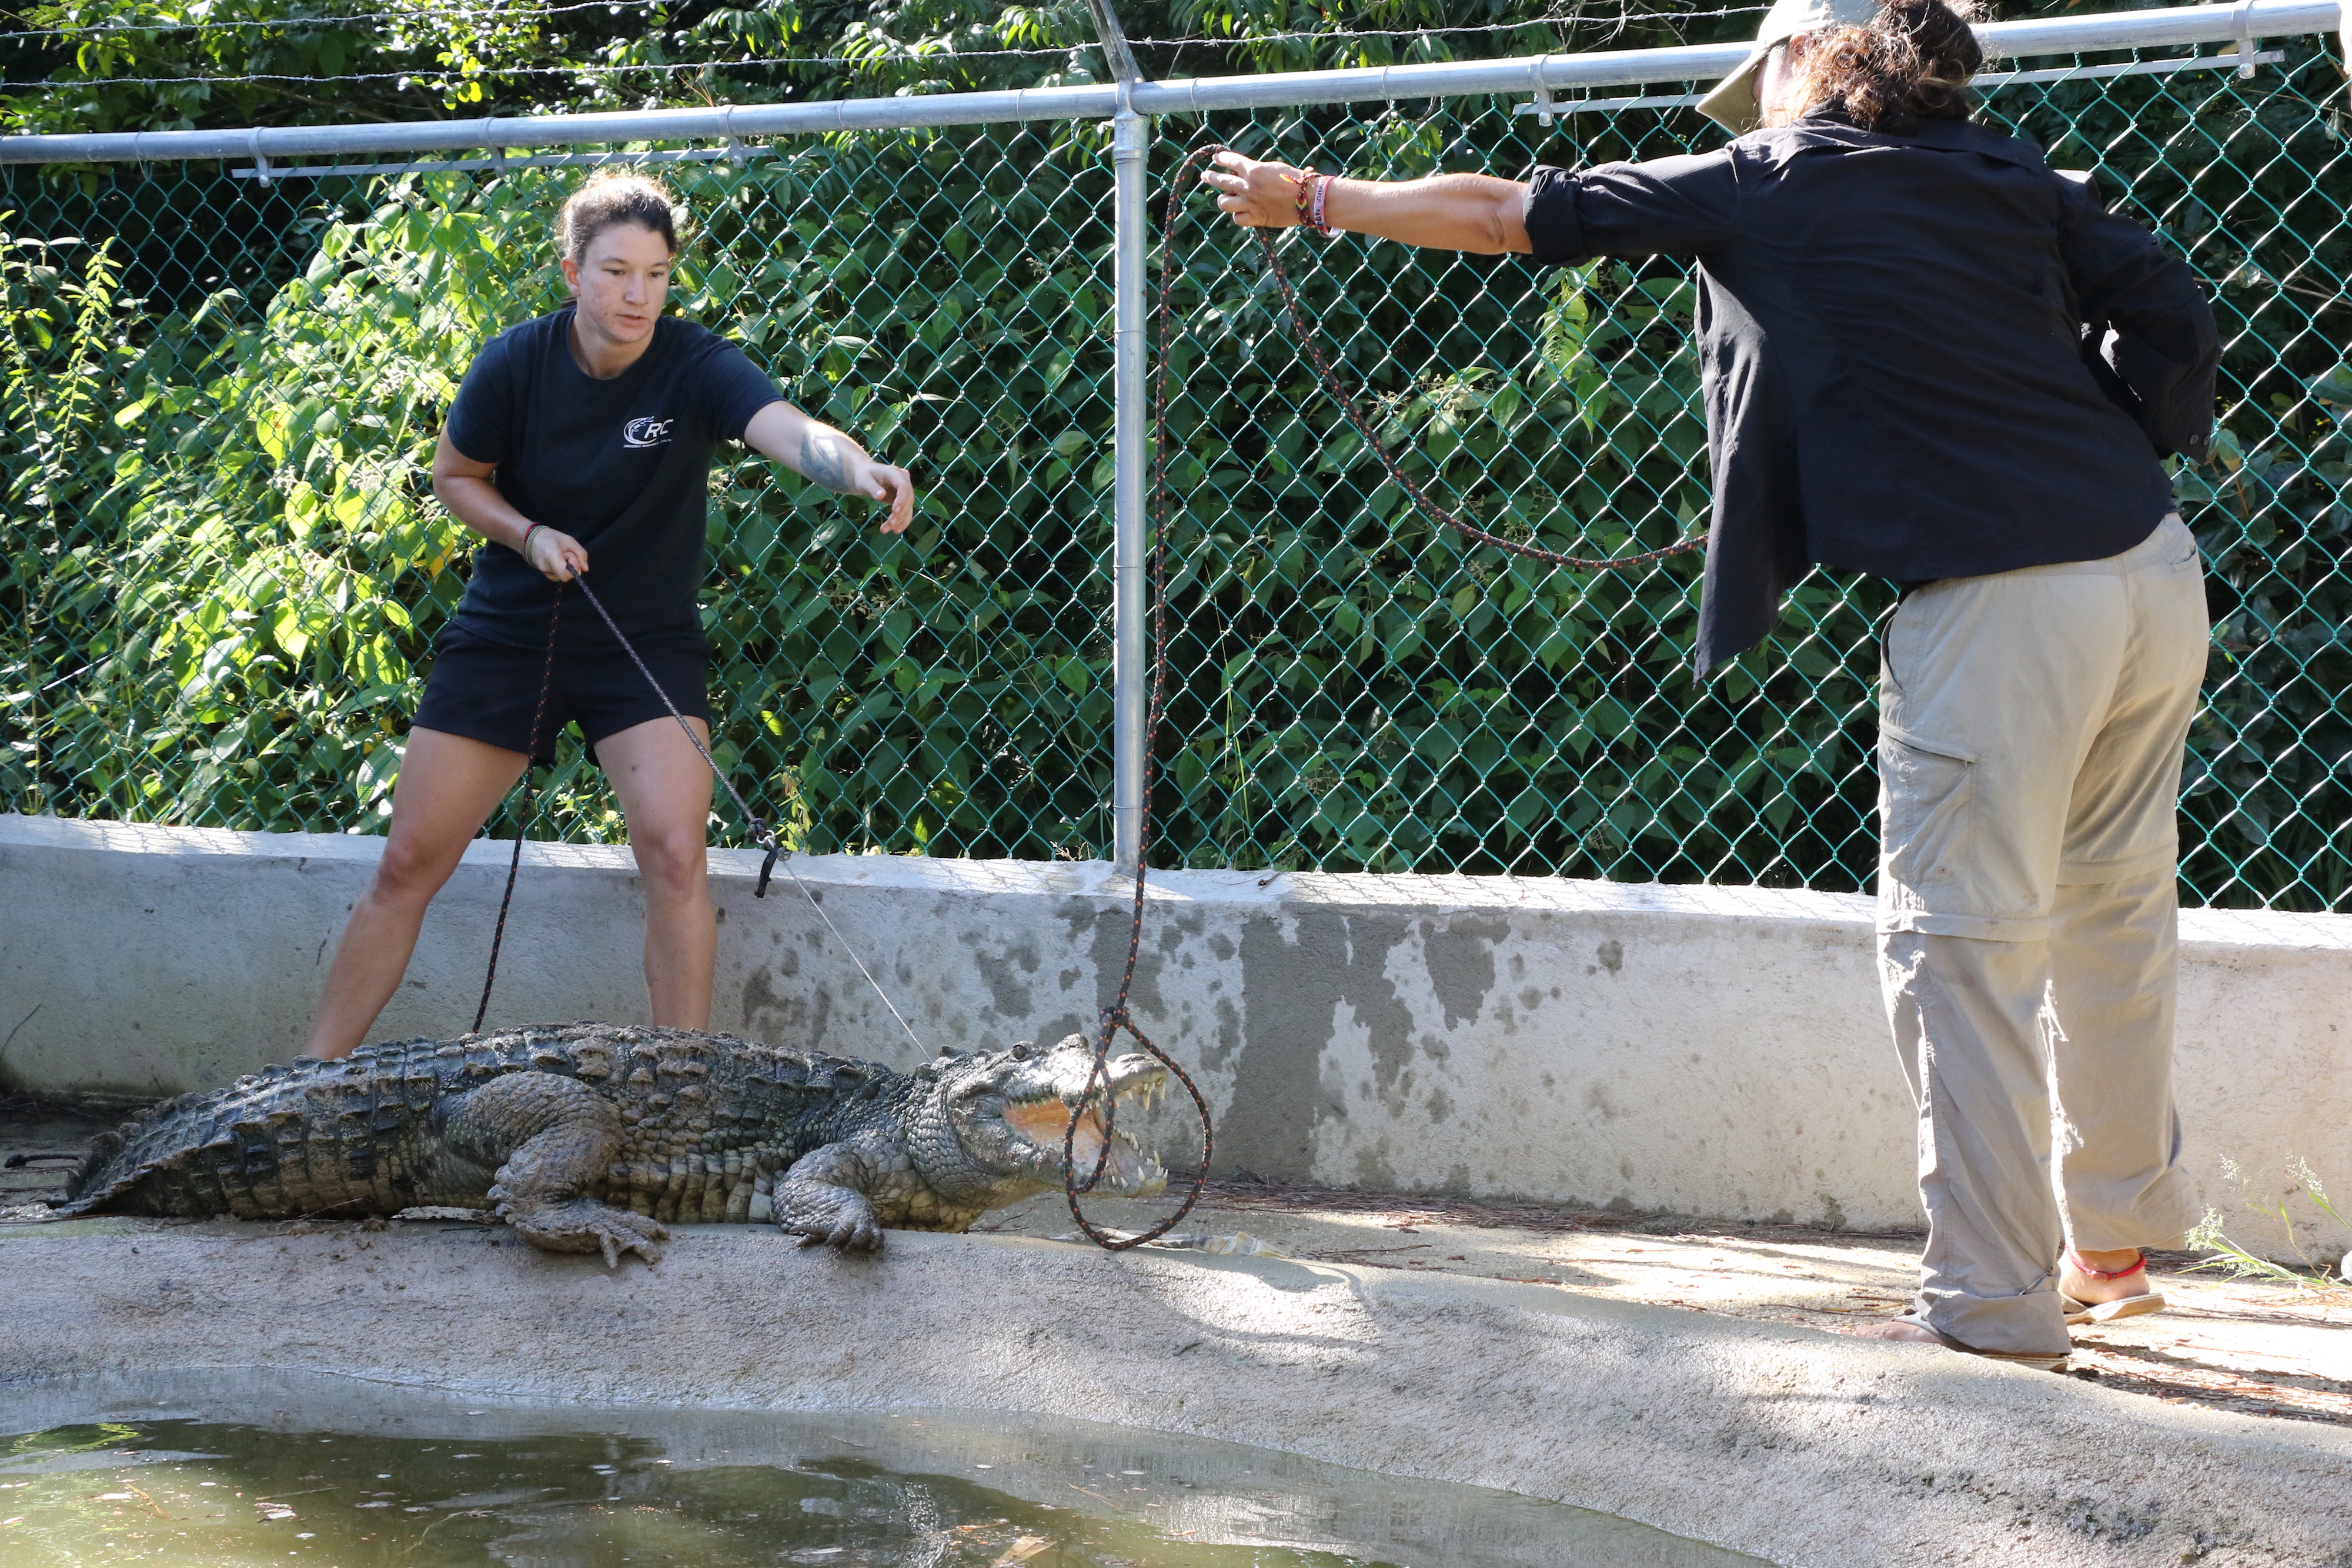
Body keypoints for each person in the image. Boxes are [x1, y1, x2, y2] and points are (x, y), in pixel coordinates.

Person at [1204, 0, 2218, 1369]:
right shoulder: (2005, 170)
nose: (1753, 108)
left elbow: (1515, 211)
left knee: (1959, 945)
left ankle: (1990, 1300)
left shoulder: (1771, 176)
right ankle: (2109, 1246)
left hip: (1998, 608)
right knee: (2111, 912)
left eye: (1761, 83)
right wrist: (2114, 420)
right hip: (2149, 570)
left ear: (1805, 60)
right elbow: (2162, 296)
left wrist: (1314, 198)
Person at [303, 170, 915, 1062]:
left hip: (644, 644)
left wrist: (859, 470)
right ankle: (302, 1079)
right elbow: (455, 478)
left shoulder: (698, 364)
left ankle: (684, 1087)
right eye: (618, 272)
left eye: (658, 275)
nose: (639, 294)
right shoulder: (515, 362)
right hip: (511, 634)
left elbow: (789, 429)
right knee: (407, 866)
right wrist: (526, 533)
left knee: (674, 853)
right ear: (572, 273)